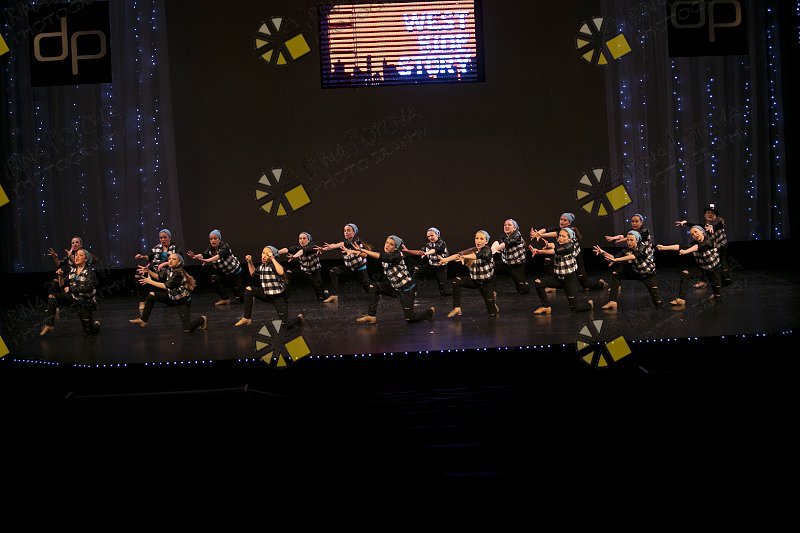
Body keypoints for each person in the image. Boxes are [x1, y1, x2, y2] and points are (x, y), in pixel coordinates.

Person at [344, 235, 435, 324]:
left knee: (410, 318)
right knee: (374, 286)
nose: (387, 245)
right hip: (395, 289)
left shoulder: (397, 255)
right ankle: (371, 316)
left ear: (396, 248)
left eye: (391, 244)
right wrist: (354, 251)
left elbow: (382, 256)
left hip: (407, 290)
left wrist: (363, 250)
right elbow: (371, 256)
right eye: (387, 243)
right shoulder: (387, 255)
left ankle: (428, 313)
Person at [129, 253, 207, 332]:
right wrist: (148, 271)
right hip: (171, 296)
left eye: (174, 259)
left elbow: (166, 286)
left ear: (179, 262)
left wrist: (150, 281)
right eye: (169, 259)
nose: (170, 261)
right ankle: (143, 320)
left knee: (188, 329)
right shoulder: (169, 270)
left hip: (182, 301)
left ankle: (202, 319)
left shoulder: (178, 272)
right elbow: (159, 277)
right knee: (151, 295)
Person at [532, 212, 606, 291]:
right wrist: (538, 233)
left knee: (586, 286)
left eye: (565, 220)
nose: (562, 221)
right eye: (561, 219)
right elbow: (547, 230)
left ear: (569, 223)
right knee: (548, 261)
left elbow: (555, 235)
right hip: (565, 259)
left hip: (575, 260)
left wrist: (541, 236)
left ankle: (601, 283)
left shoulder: (570, 230)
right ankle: (553, 285)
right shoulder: (560, 228)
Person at [234, 246, 302, 329]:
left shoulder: (273, 266)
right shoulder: (262, 266)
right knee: (249, 290)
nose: (264, 256)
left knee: (285, 325)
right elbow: (253, 273)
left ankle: (298, 319)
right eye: (263, 253)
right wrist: (250, 262)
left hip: (278, 297)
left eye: (267, 254)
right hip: (266, 294)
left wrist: (272, 258)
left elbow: (281, 272)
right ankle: (246, 317)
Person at [593, 230, 662, 310]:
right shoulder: (627, 250)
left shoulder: (643, 247)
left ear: (637, 240)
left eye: (631, 240)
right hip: (635, 271)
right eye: (628, 240)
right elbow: (614, 257)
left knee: (657, 301)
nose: (629, 242)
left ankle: (659, 305)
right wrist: (603, 252)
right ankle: (612, 301)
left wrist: (617, 260)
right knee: (616, 274)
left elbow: (633, 256)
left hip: (647, 274)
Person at [530, 227, 593, 314]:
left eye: (563, 236)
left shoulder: (570, 246)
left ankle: (589, 305)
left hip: (569, 280)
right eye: (559, 236)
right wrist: (547, 245)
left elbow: (554, 251)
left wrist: (538, 251)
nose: (560, 238)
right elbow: (553, 245)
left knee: (575, 308)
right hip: (558, 279)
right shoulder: (560, 243)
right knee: (538, 282)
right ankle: (546, 307)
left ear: (569, 238)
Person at [40, 249, 101, 336]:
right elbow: (62, 284)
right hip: (74, 299)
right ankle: (49, 324)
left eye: (80, 255)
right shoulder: (72, 271)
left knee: (89, 330)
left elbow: (88, 287)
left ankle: (97, 325)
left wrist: (72, 289)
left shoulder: (89, 272)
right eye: (76, 255)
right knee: (52, 297)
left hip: (84, 303)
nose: (77, 257)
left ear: (86, 259)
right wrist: (60, 276)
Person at [439, 230, 499, 318]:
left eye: (481, 239)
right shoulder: (472, 250)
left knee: (492, 313)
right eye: (477, 238)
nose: (478, 241)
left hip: (486, 283)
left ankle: (493, 302)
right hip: (474, 280)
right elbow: (458, 255)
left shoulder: (487, 250)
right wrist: (445, 260)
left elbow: (477, 256)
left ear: (486, 241)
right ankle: (457, 308)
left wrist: (464, 256)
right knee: (456, 281)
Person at [657, 225, 722, 306]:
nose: (694, 235)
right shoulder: (694, 243)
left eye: (696, 232)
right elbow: (680, 246)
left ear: (702, 231)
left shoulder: (709, 240)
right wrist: (664, 247)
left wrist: (686, 251)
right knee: (685, 273)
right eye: (692, 234)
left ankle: (715, 293)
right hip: (702, 269)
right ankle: (681, 299)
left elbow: (698, 247)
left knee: (717, 295)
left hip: (713, 270)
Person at [675, 203, 730, 285]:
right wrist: (686, 223)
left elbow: (717, 223)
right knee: (702, 261)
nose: (710, 214)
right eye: (708, 213)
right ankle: (703, 280)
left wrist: (712, 226)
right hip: (711, 246)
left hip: (721, 246)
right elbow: (696, 225)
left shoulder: (719, 221)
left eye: (712, 213)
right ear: (705, 215)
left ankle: (726, 279)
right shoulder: (705, 225)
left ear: (716, 215)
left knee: (723, 261)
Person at [316, 223, 370, 304]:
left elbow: (365, 254)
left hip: (360, 271)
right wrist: (324, 249)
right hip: (350, 269)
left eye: (348, 230)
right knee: (333, 271)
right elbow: (336, 245)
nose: (346, 232)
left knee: (370, 291)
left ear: (354, 232)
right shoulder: (345, 243)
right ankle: (334, 295)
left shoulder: (357, 242)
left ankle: (377, 291)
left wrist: (352, 251)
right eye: (345, 231)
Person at [188, 229, 243, 305]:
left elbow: (219, 256)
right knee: (215, 279)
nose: (212, 241)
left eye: (215, 238)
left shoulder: (225, 246)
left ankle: (246, 297)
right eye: (211, 239)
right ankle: (225, 299)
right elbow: (204, 254)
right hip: (222, 271)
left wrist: (208, 260)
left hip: (234, 271)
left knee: (239, 297)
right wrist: (195, 256)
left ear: (219, 239)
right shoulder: (211, 248)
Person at [133, 229, 183, 312]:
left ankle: (169, 297)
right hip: (157, 270)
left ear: (169, 238)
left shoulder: (176, 248)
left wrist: (166, 263)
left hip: (169, 271)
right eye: (161, 238)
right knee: (139, 274)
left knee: (171, 302)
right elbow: (150, 257)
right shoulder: (157, 248)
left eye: (165, 237)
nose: (162, 239)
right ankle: (142, 301)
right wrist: (142, 256)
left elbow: (180, 260)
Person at [277, 232, 329, 301]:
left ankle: (325, 292)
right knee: (288, 273)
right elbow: (287, 249)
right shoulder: (298, 248)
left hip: (314, 272)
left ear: (309, 240)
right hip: (304, 271)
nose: (302, 240)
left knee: (321, 296)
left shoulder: (313, 246)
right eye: (300, 238)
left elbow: (303, 251)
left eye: (304, 238)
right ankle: (284, 296)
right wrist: (276, 252)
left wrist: (294, 256)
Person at [402, 227, 451, 296]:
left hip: (441, 267)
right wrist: (408, 251)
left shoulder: (441, 243)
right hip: (431, 266)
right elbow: (419, 252)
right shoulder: (428, 245)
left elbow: (434, 250)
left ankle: (447, 290)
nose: (430, 238)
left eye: (432, 235)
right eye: (428, 236)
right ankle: (413, 289)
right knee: (417, 270)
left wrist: (425, 253)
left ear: (437, 234)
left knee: (444, 292)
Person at [491, 219, 529, 294]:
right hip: (505, 262)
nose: (506, 226)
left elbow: (506, 243)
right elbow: (497, 242)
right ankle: (492, 290)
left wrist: (496, 248)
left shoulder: (517, 235)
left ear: (515, 228)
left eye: (509, 225)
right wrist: (493, 247)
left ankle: (524, 284)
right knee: (491, 267)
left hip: (517, 265)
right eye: (505, 225)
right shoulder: (503, 236)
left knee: (523, 290)